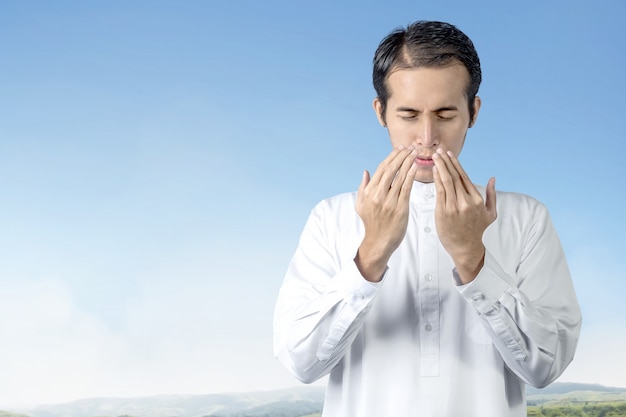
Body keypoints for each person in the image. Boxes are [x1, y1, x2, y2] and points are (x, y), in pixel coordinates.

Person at [273, 20, 581, 417]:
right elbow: (301, 363)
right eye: (408, 114)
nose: (427, 136)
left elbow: (546, 368)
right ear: (381, 112)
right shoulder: (331, 218)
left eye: (445, 114)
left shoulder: (526, 218)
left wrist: (474, 258)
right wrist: (371, 254)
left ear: (473, 112)